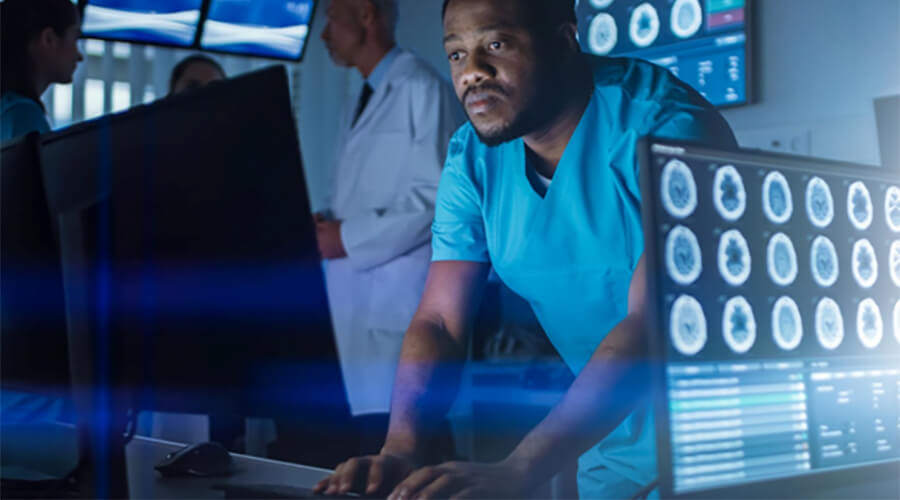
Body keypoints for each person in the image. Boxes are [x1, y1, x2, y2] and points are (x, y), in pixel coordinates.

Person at [314, 0, 737, 498]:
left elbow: (649, 323)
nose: (472, 72)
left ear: (564, 40)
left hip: (722, 439)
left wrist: (521, 468)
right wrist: (399, 450)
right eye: (456, 54)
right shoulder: (472, 159)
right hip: (611, 442)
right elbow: (439, 321)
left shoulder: (666, 127)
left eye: (496, 46)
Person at [275, 0, 463, 465]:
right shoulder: (362, 95)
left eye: (330, 21)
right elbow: (369, 197)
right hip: (358, 317)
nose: (323, 35)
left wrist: (346, 238)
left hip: (396, 312)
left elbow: (436, 199)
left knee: (410, 454)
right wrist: (328, 222)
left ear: (365, 14)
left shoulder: (422, 89)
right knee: (371, 455)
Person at [0, 0, 83, 142]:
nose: (80, 56)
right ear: (49, 39)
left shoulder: (7, 110)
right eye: (75, 39)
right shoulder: (23, 115)